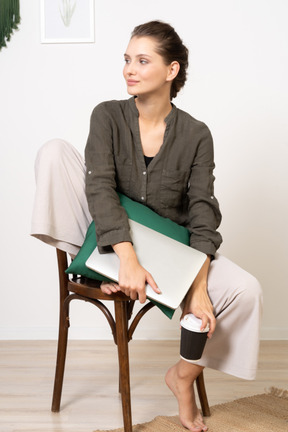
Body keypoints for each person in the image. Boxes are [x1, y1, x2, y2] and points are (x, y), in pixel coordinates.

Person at [31, 21, 263, 432]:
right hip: (109, 239)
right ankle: (91, 267)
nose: (128, 70)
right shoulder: (107, 115)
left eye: (142, 60)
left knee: (246, 290)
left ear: (171, 71)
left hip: (170, 249)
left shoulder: (196, 134)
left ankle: (183, 376)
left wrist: (197, 285)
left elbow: (203, 210)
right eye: (126, 60)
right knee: (55, 153)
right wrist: (125, 260)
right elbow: (99, 187)